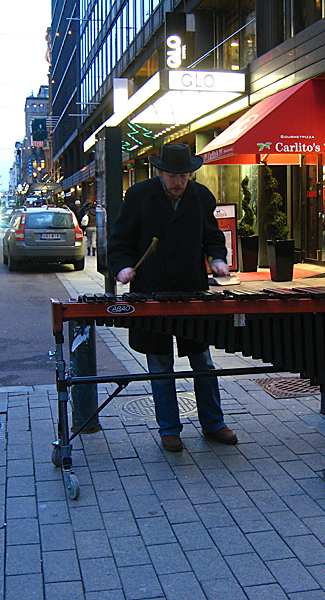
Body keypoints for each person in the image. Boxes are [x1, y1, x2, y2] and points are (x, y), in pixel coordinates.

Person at [109, 143, 234, 453]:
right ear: (160, 172)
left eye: (184, 176)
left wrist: (218, 258)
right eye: (173, 176)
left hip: (191, 291)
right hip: (151, 291)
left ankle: (213, 423)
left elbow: (212, 236)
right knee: (160, 362)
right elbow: (120, 238)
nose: (179, 182)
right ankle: (169, 428)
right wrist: (123, 267)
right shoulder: (138, 196)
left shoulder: (201, 196)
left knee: (203, 360)